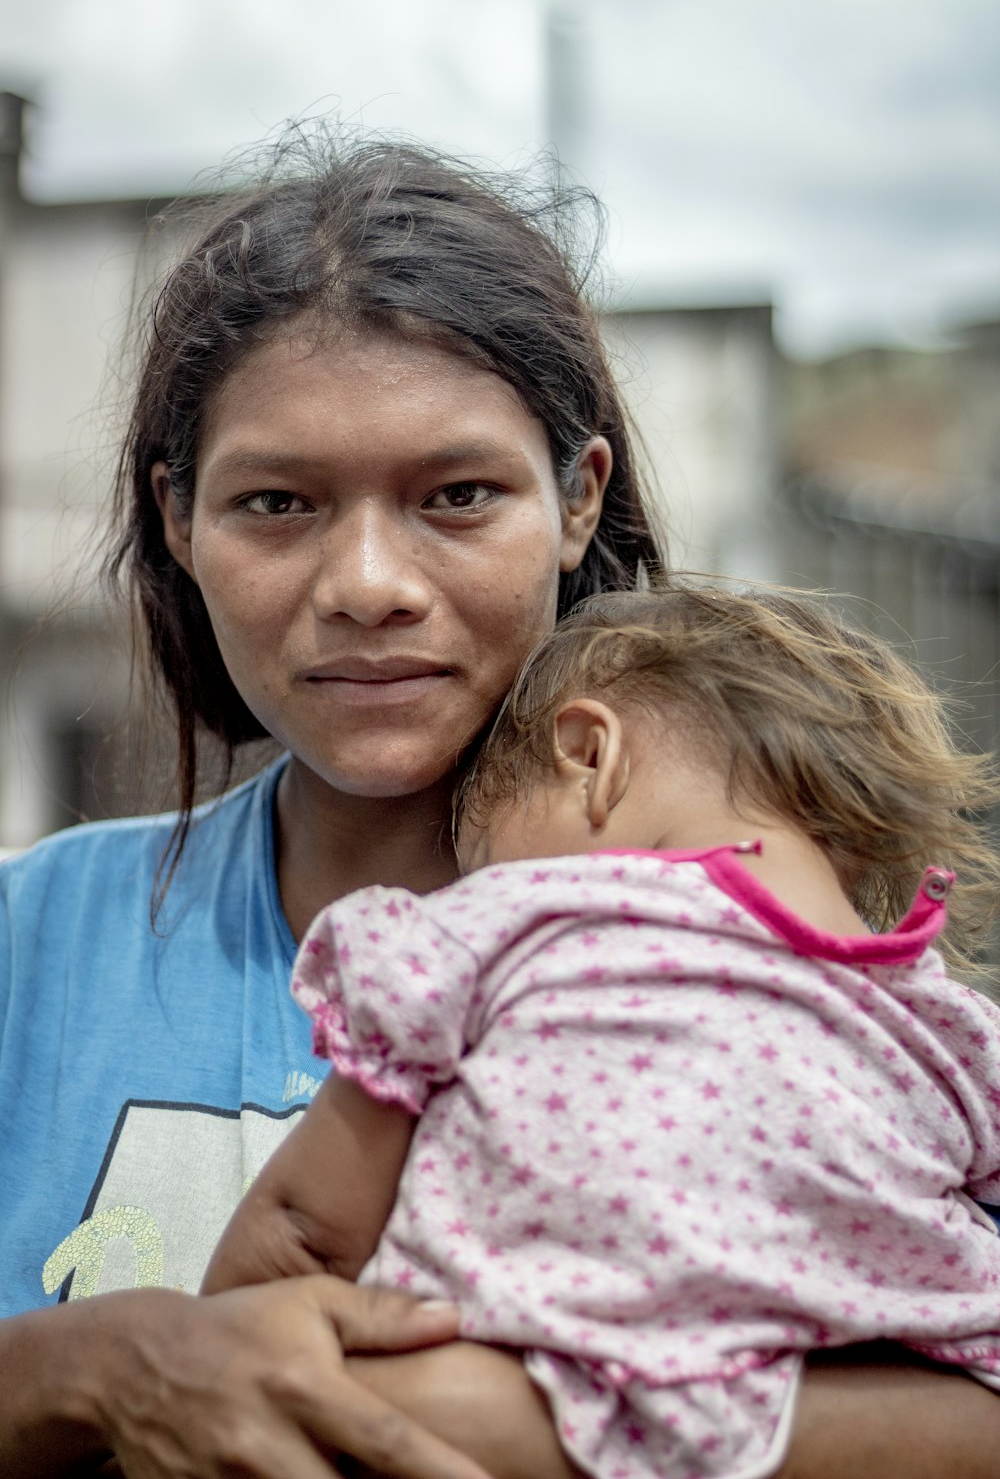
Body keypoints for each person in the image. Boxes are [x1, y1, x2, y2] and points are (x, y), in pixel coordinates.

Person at [1, 126, 999, 1479]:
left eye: (458, 495)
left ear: (578, 498)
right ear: (179, 523)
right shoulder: (33, 945)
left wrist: (492, 1426)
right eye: (276, 502)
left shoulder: (826, 980)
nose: (368, 582)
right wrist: (89, 1366)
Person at [203, 583, 1000, 1478]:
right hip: (859, 1414)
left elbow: (309, 1224)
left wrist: (212, 1366)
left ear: (589, 755)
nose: (471, 882)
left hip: (514, 1392)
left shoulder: (505, 923)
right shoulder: (944, 1028)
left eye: (483, 851)